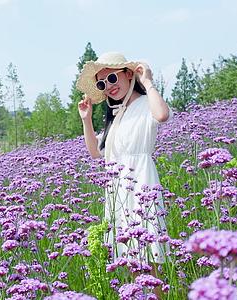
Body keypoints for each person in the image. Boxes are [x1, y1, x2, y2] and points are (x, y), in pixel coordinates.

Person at [76, 52, 172, 294]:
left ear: (129, 74)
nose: (108, 87)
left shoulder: (144, 105)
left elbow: (162, 115)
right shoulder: (117, 114)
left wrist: (148, 82)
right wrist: (87, 120)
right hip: (119, 190)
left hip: (141, 185)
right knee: (131, 262)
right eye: (102, 84)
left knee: (150, 266)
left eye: (112, 78)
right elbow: (96, 153)